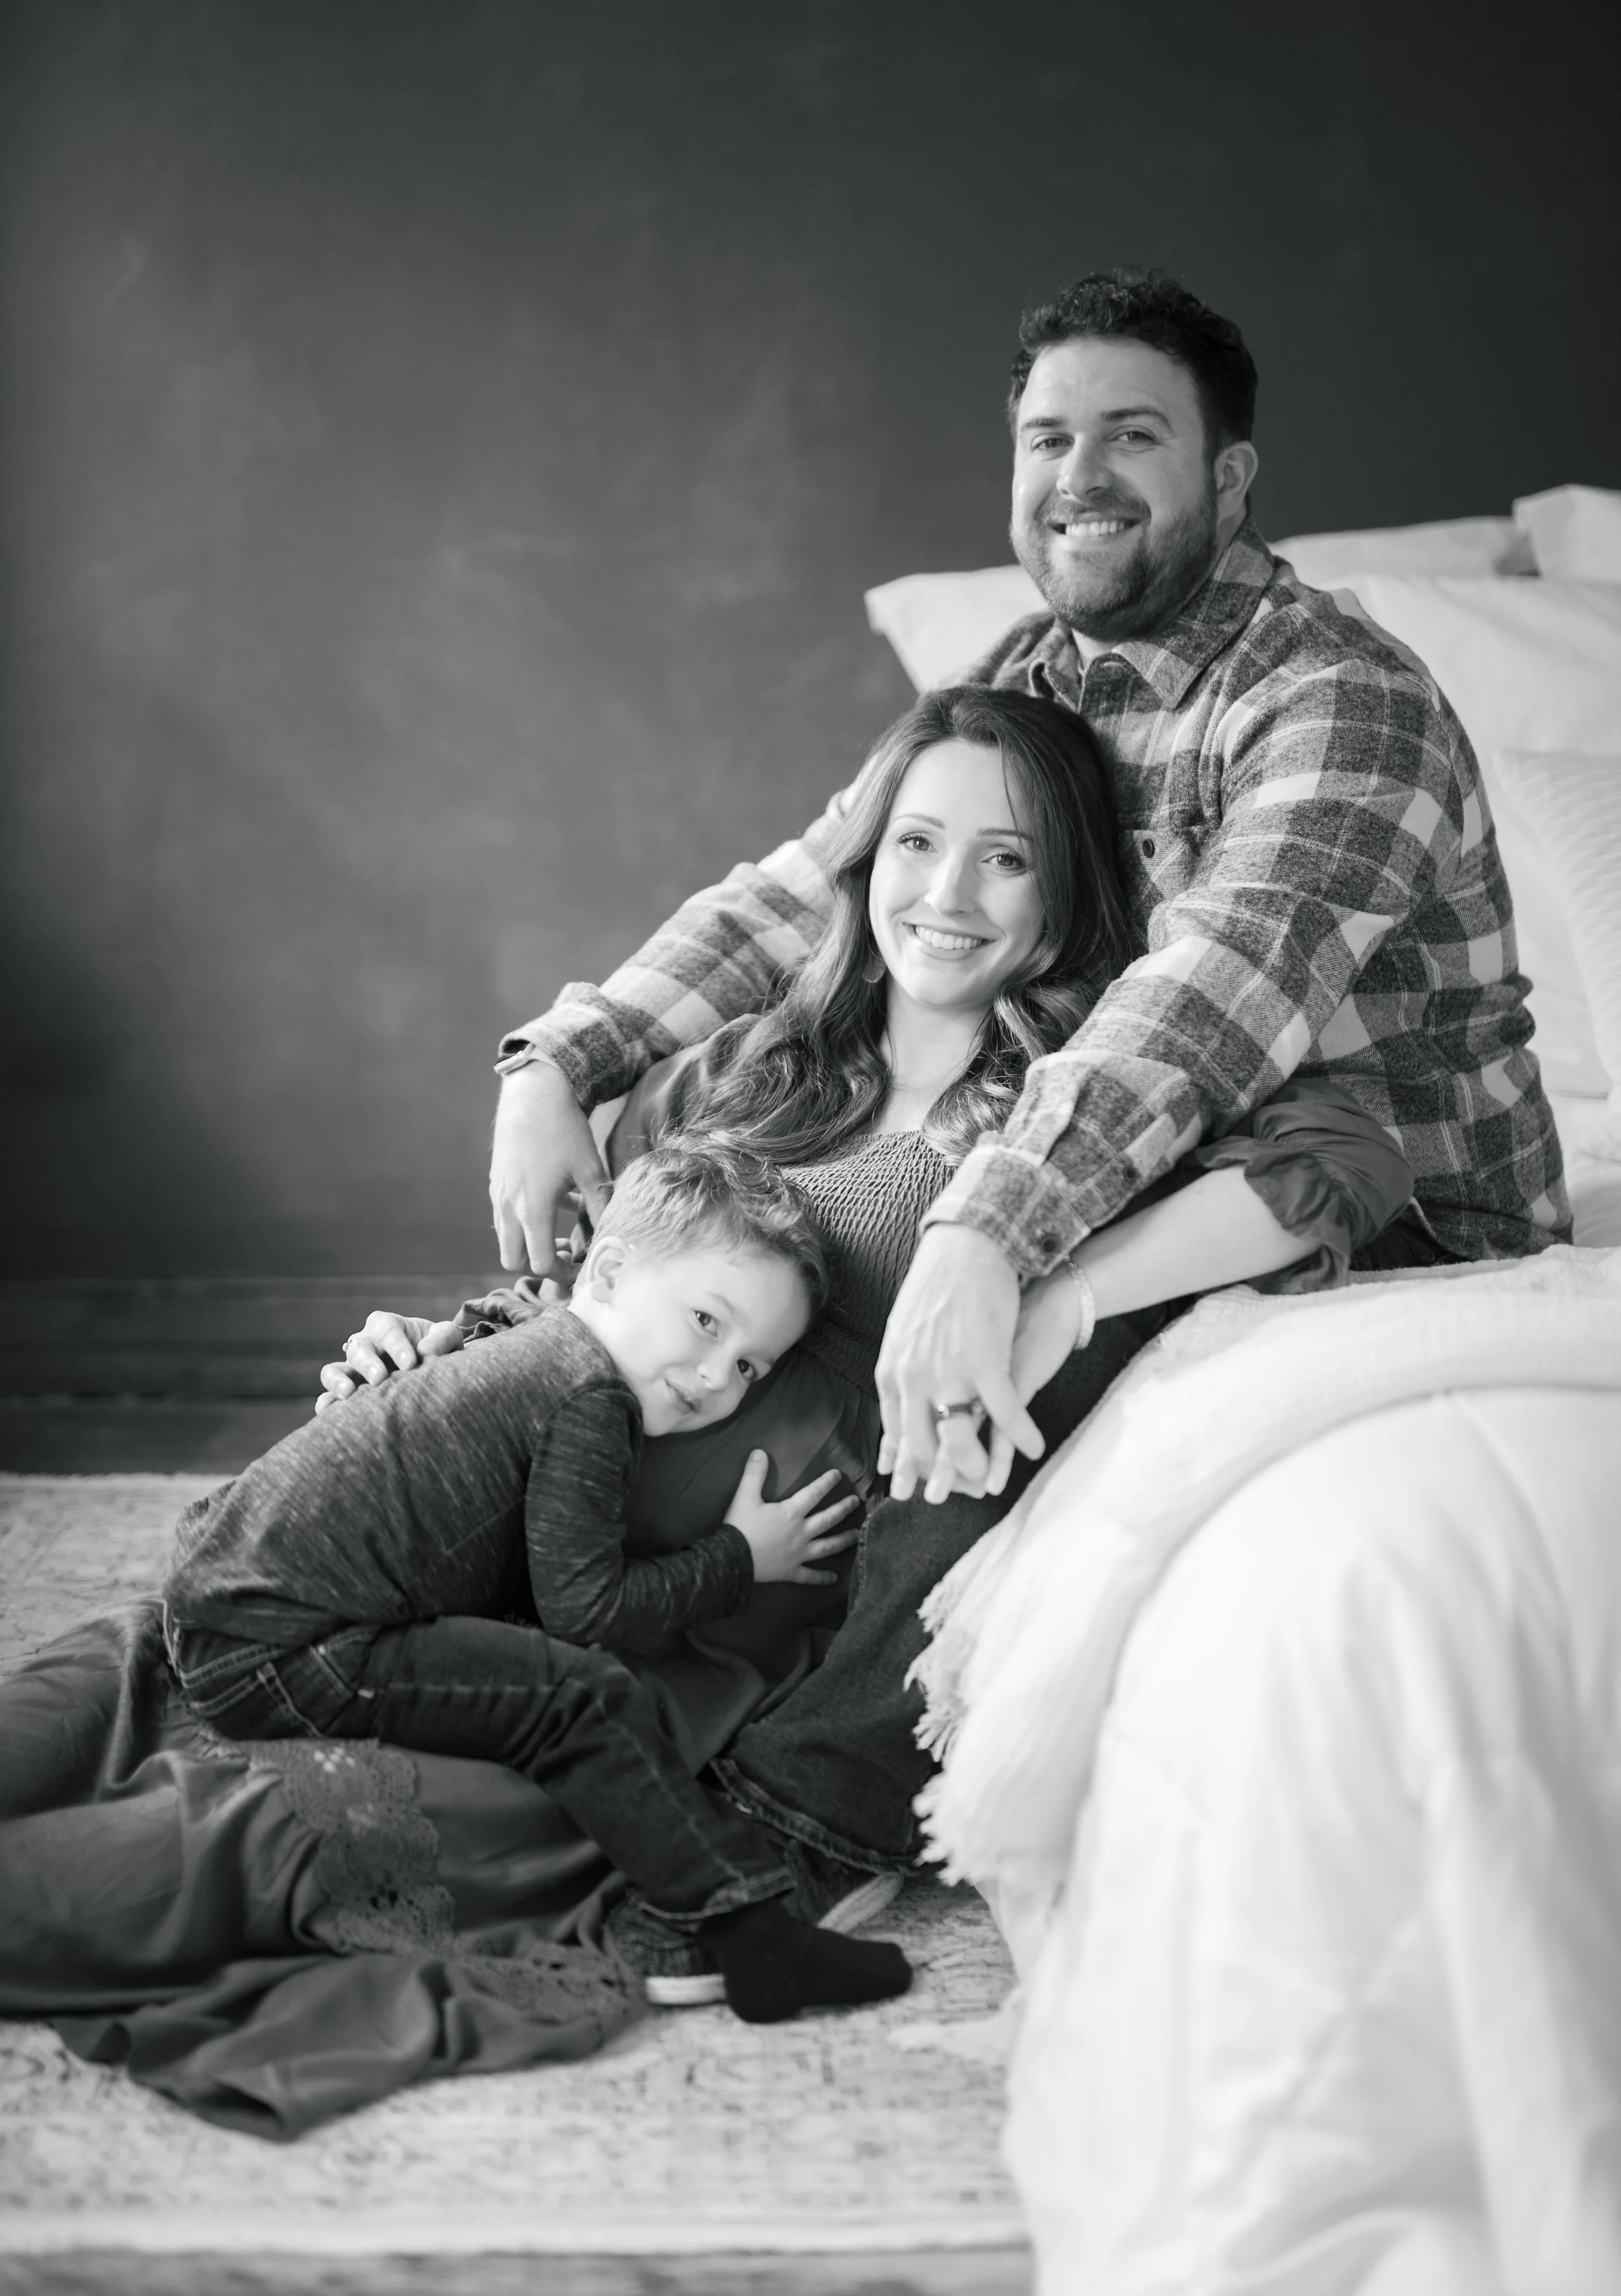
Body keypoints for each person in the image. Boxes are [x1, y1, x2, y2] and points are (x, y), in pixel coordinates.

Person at [459, 263, 1567, 1926]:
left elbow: (1197, 1016)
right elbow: (817, 887)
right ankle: (497, 1622)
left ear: (1229, 479)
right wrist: (565, 1059)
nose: (1079, 477)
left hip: (1382, 1208)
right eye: (1049, 436)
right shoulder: (1032, 665)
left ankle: (817, 1807)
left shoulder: (1340, 699)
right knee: (773, 1202)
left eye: (1133, 435)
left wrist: (992, 1236)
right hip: (1126, 1148)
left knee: (985, 1283)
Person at [331, 682, 1417, 1991]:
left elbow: (1345, 1153)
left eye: (1007, 858)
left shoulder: (1083, 1104)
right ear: (864, 857)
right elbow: (604, 1298)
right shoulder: (751, 1064)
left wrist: (1068, 1290)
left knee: (408, 1857)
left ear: (1065, 893)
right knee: (243, 1691)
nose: (947, 893)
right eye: (916, 842)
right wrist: (441, 1347)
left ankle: (806, 1812)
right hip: (598, 1545)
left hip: (806, 1601)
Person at [161, 1141, 909, 2028]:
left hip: (226, 1592)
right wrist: (740, 1557)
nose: (717, 1377)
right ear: (612, 1268)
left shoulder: (538, 1348)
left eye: (750, 1365)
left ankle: (744, 1930)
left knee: (531, 1668)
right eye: (708, 1322)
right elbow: (588, 1610)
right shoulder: (587, 1395)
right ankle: (750, 1935)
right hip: (277, 1648)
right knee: (583, 1699)